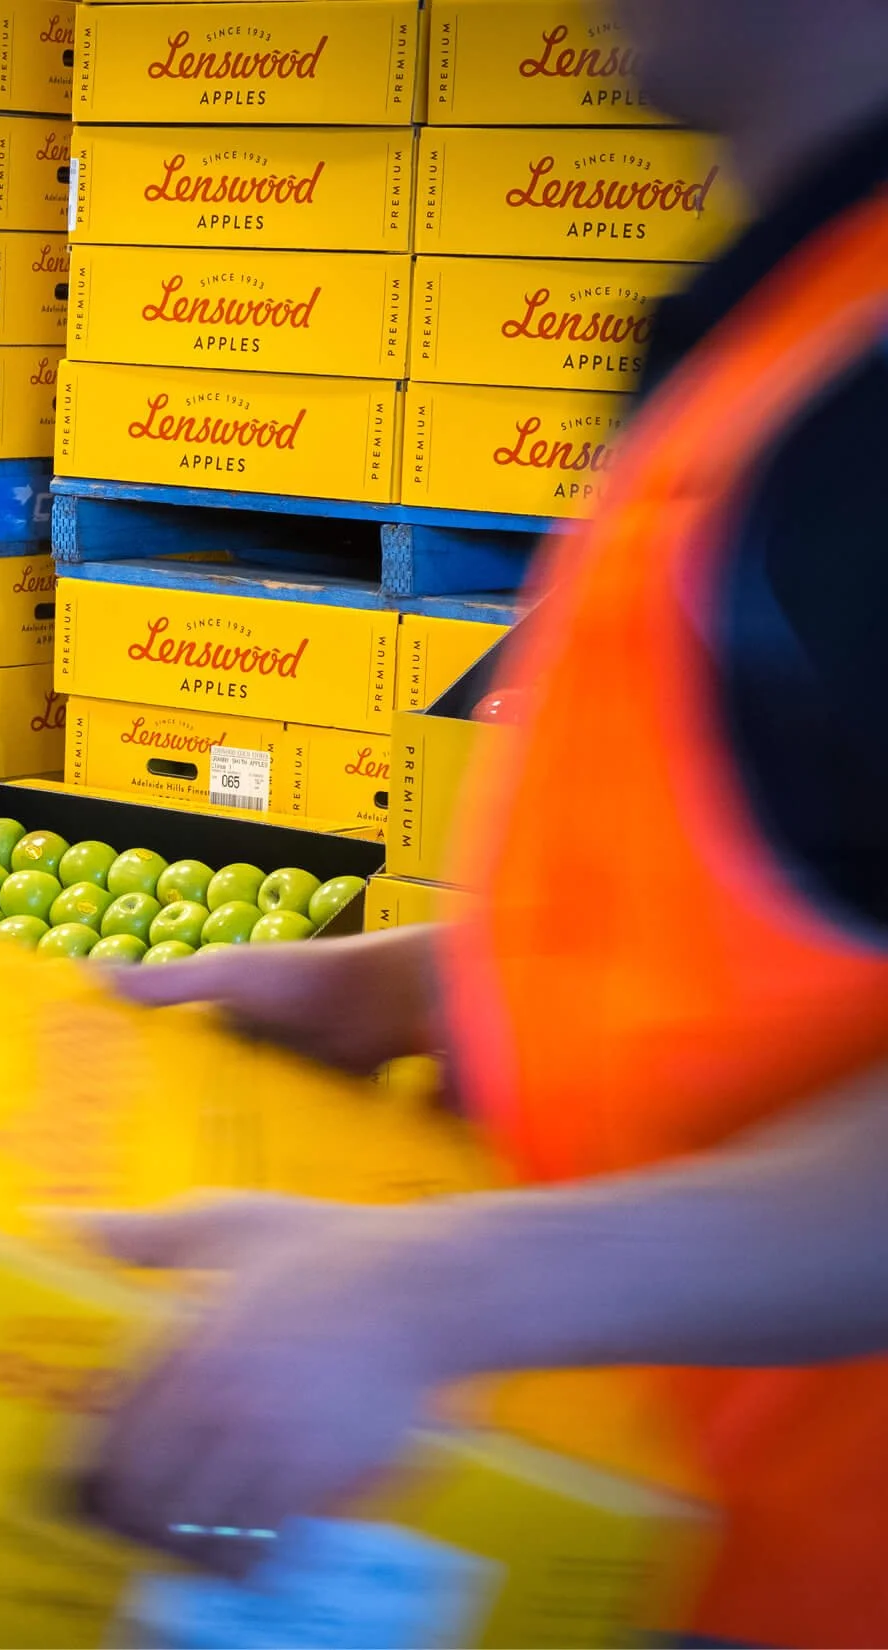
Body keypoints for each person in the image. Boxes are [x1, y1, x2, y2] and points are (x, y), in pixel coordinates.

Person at [82, 2, 888, 1643]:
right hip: (625, 1518)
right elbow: (808, 879)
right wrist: (421, 982)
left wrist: (432, 1291)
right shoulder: (788, 325)